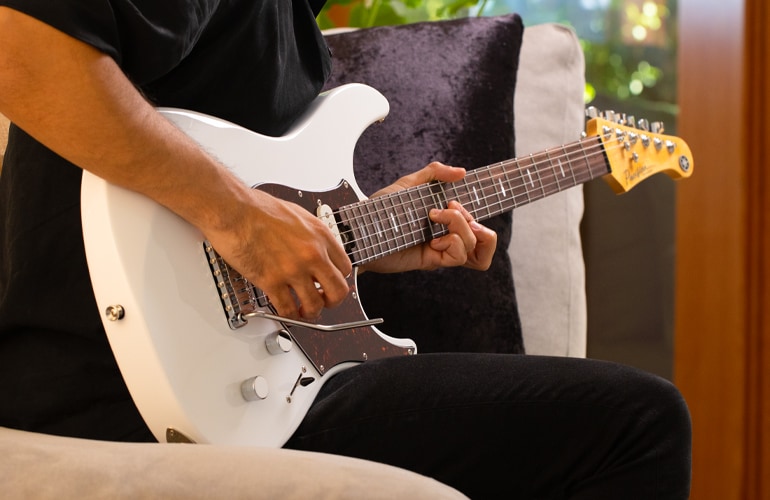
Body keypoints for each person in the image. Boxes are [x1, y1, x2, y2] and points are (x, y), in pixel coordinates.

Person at [0, 1, 691, 498]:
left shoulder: (293, 27)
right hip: (101, 385)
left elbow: (236, 207)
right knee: (638, 425)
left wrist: (359, 237)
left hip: (230, 382)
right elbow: (20, 52)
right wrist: (243, 220)